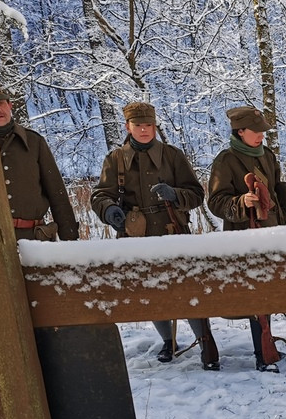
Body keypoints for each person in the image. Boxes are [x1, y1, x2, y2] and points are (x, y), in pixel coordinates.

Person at [90, 101, 219, 370]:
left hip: (173, 231)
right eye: (138, 125)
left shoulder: (172, 156)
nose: (144, 130)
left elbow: (196, 194)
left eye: (148, 125)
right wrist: (110, 209)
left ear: (155, 126)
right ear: (128, 127)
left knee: (188, 289)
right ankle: (167, 342)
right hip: (137, 237)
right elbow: (100, 195)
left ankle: (204, 340)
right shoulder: (115, 159)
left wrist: (175, 194)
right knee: (150, 291)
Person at [207, 106, 286, 371]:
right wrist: (240, 202)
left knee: (268, 292)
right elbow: (215, 201)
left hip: (272, 234)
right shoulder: (226, 161)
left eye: (263, 131)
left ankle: (267, 346)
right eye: (256, 131)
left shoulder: (267, 156)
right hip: (244, 237)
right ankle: (263, 353)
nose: (261, 136)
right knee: (255, 295)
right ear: (240, 132)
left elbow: (275, 188)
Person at [0, 80, 78, 242]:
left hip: (35, 240)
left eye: (0, 102)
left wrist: (70, 239)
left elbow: (57, 193)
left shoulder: (34, 142)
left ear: (10, 105)